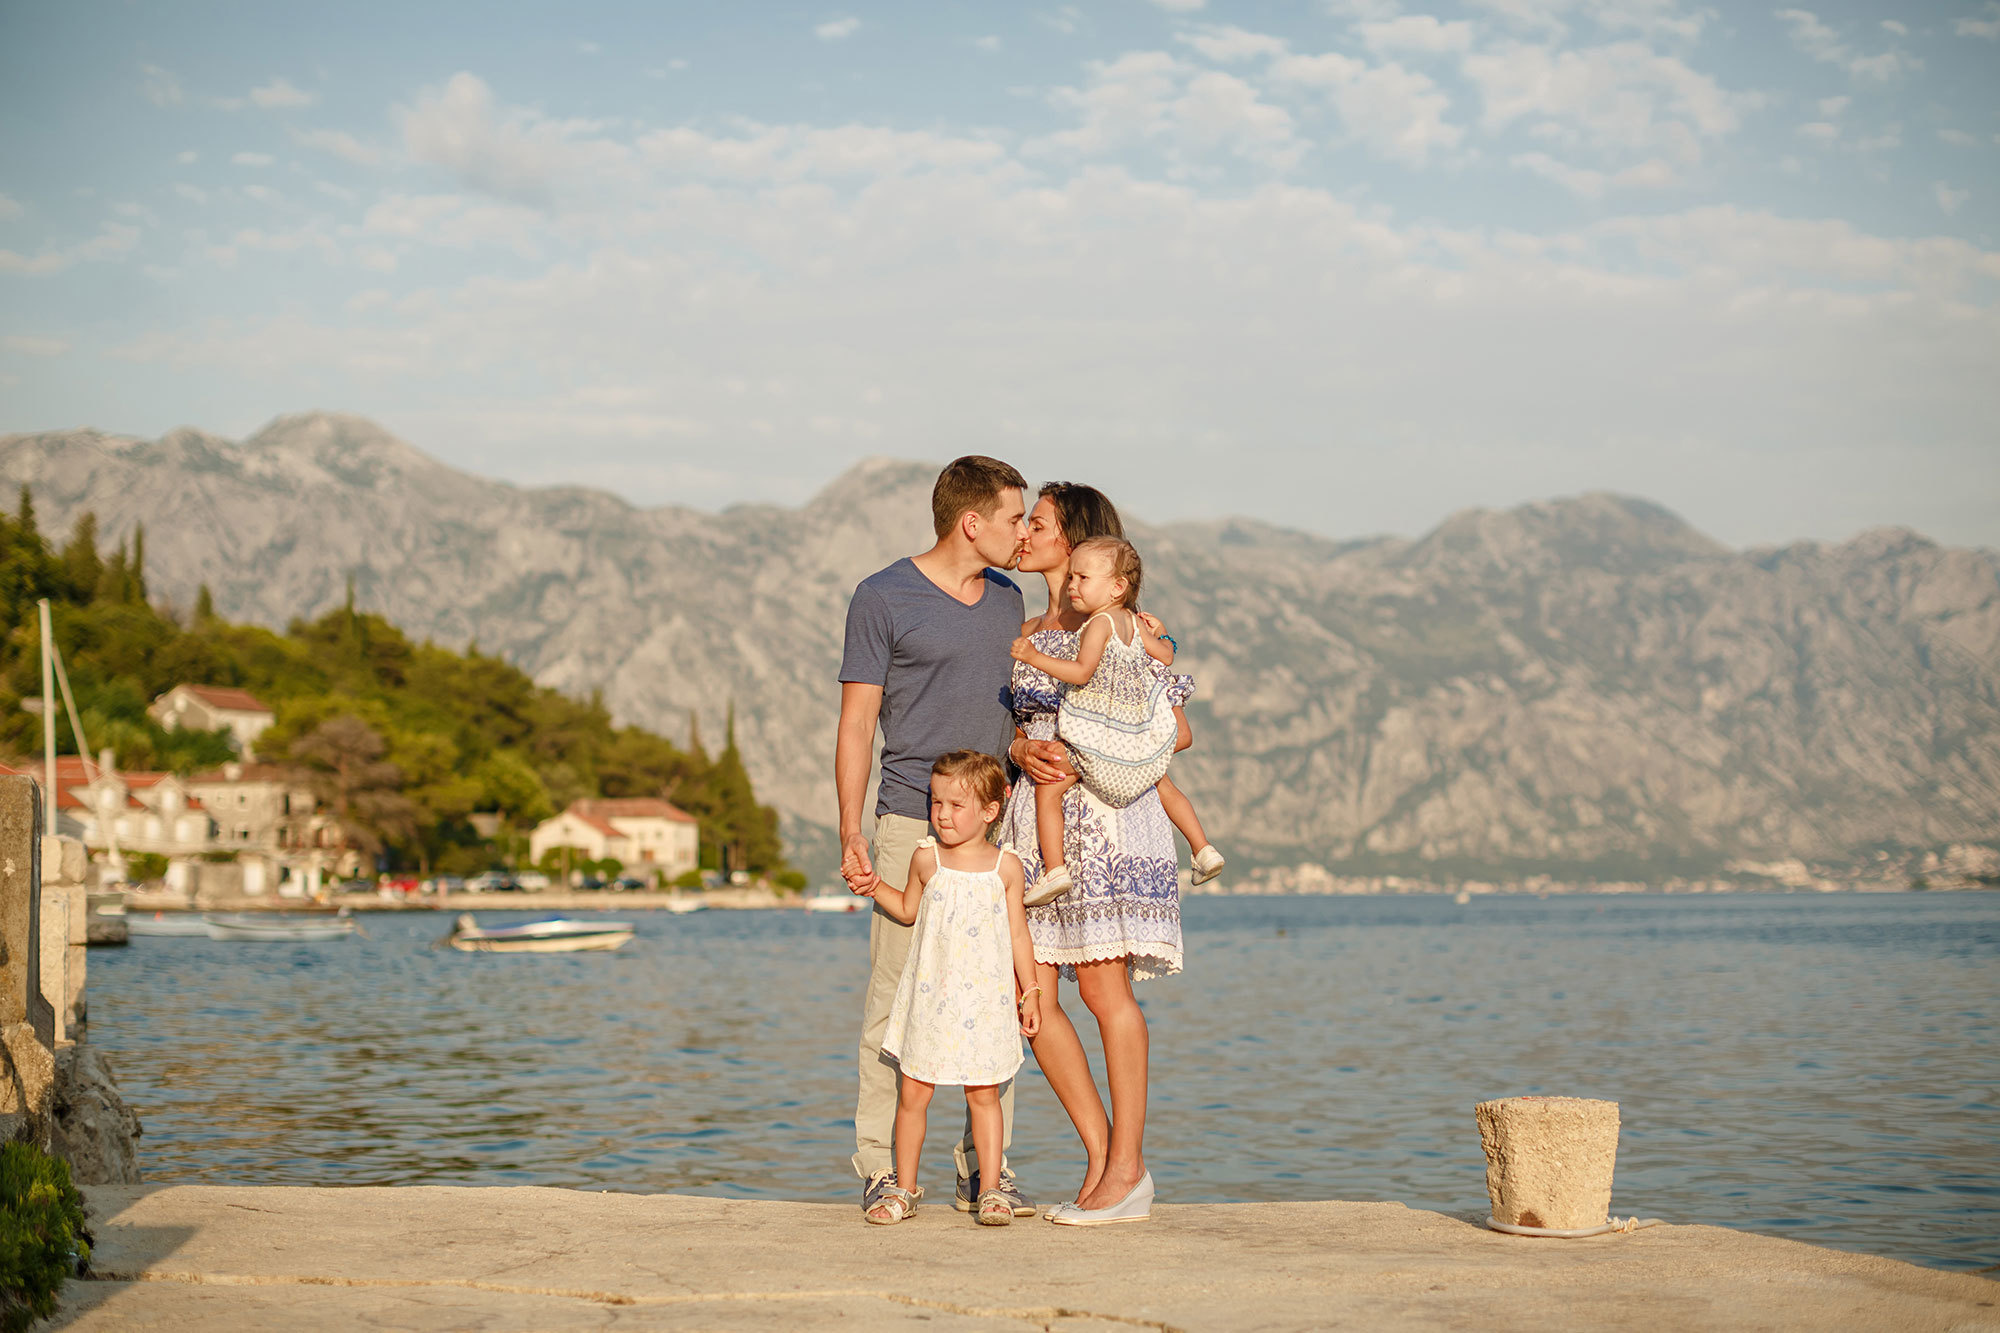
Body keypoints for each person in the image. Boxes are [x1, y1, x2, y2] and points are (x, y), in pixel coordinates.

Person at [836, 455, 1035, 1223]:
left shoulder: (1011, 602)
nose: (1024, 532)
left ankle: (986, 1170)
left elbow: (1020, 712)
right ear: (972, 522)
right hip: (908, 826)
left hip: (992, 831)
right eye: (1015, 517)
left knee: (993, 994)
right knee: (894, 1000)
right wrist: (851, 827)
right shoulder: (882, 596)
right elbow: (857, 724)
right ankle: (883, 1169)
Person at [999, 483, 1188, 1227]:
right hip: (1032, 821)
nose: (1023, 534)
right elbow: (1006, 727)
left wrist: (1085, 745)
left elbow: (1178, 730)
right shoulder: (1021, 624)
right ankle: (1106, 1159)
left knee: (1105, 995)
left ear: (1074, 539)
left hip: (1105, 815)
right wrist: (1020, 744)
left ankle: (1126, 1167)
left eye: (1036, 523)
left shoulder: (1126, 628)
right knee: (1034, 1000)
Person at [859, 752, 1043, 1226]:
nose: (942, 814)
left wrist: (1032, 992)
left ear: (989, 810)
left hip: (985, 1003)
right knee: (913, 1094)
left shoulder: (1007, 867)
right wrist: (870, 884)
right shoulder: (926, 858)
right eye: (936, 801)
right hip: (930, 1001)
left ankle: (991, 1188)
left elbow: (1019, 934)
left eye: (956, 805)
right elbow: (905, 909)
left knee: (984, 1094)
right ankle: (903, 1188)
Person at [1009, 536, 1180, 902]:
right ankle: (1201, 846)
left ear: (1116, 585)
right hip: (1102, 758)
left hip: (1095, 772)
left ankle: (1055, 869)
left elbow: (1082, 672)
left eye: (1082, 578)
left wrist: (1034, 657)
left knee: (1049, 790)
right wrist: (1162, 633)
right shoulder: (1131, 624)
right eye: (1073, 577)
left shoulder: (1103, 625)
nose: (1073, 586)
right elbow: (1166, 654)